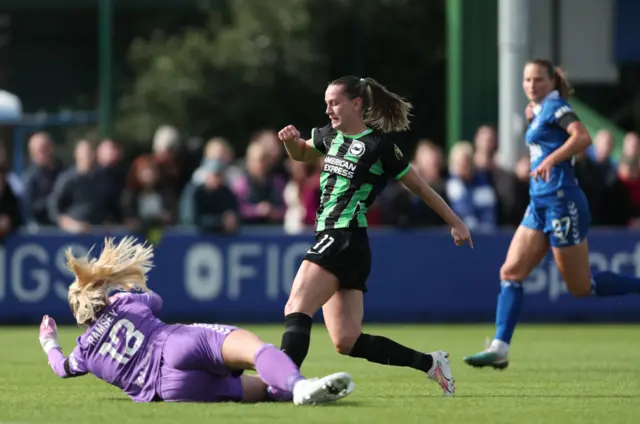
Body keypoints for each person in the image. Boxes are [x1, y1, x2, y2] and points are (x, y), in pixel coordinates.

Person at [277, 75, 473, 397]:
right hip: (347, 245)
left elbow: (421, 188)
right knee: (346, 340)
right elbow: (300, 153)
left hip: (343, 237)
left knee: (296, 306)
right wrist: (289, 140)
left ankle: (283, 385)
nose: (328, 110)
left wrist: (455, 222)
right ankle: (430, 363)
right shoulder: (329, 136)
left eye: (334, 102)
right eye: (326, 103)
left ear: (355, 103)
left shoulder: (380, 147)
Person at [463, 58, 640, 370]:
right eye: (527, 79)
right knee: (510, 273)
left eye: (539, 80)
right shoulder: (540, 109)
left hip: (562, 204)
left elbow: (582, 137)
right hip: (539, 204)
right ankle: (500, 347)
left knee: (580, 287)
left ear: (551, 82)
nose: (532, 85)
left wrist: (551, 160)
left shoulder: (556, 106)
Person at [38, 236, 354, 405]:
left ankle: (292, 392)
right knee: (253, 348)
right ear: (101, 295)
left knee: (258, 391)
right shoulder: (123, 302)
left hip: (169, 389)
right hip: (175, 344)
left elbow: (60, 368)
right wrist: (128, 290)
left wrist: (49, 341)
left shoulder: (83, 352)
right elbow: (157, 302)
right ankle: (299, 385)